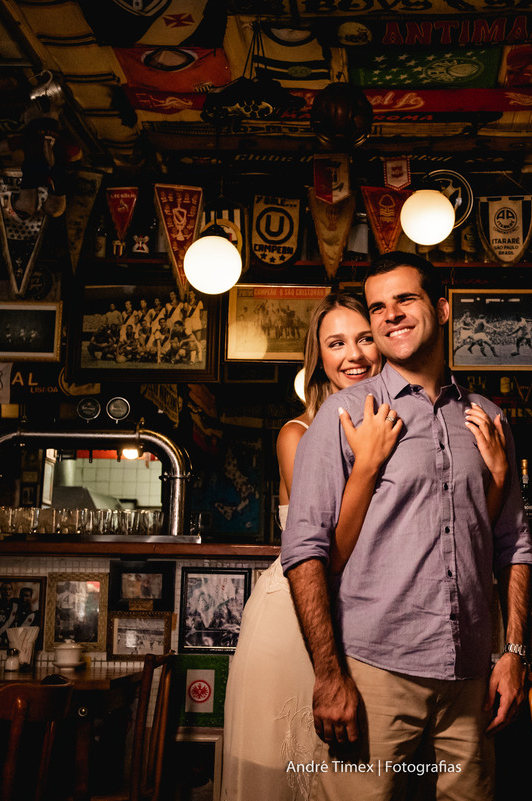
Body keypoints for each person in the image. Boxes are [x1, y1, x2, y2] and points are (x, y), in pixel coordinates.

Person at [281, 252, 532, 800]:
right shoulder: (344, 415)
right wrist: (329, 674)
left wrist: (515, 653)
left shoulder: (489, 419)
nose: (390, 314)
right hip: (375, 673)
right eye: (378, 307)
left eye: (405, 299)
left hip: (470, 677)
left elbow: (513, 545)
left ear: (442, 309)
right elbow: (305, 552)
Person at [221, 292, 397, 801]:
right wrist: (366, 467)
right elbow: (329, 555)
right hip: (295, 620)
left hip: (362, 623)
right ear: (318, 359)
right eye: (336, 343)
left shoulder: (395, 426)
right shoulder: (297, 434)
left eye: (364, 339)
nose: (354, 355)